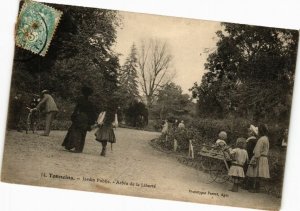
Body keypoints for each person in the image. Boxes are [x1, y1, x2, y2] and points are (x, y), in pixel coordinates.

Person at [62, 86, 97, 153]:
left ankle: (73, 147)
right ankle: (79, 148)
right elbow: (92, 112)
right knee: (83, 133)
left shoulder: (80, 100)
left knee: (75, 131)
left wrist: (73, 116)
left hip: (80, 117)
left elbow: (77, 109)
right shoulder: (90, 102)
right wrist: (92, 121)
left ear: (83, 92)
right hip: (86, 118)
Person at [246, 123, 270, 193]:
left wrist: (255, 158)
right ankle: (257, 188)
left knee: (255, 173)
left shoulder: (261, 139)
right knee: (259, 174)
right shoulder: (266, 139)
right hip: (264, 157)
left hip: (259, 157)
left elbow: (257, 150)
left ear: (261, 131)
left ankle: (255, 188)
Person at [243, 124, 258, 189]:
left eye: (249, 132)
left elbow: (248, 150)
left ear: (252, 133)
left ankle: (245, 184)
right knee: (249, 170)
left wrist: (246, 156)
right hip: (251, 156)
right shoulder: (254, 140)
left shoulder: (250, 141)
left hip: (249, 156)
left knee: (246, 170)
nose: (247, 133)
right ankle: (246, 183)